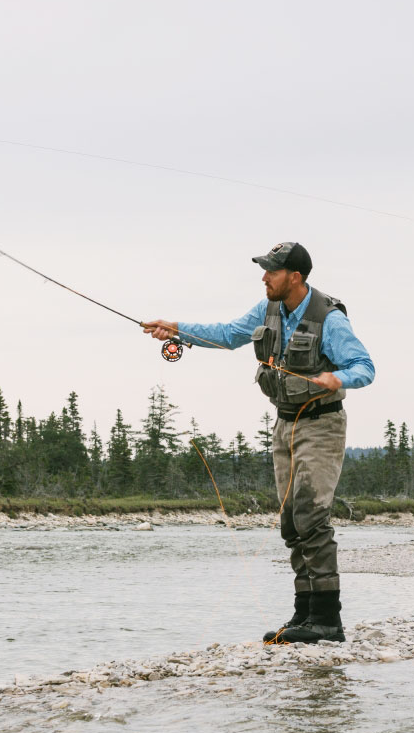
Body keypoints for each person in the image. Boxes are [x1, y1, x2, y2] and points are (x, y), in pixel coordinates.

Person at [143, 242, 375, 643]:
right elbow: (227, 334)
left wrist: (339, 378)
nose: (264, 277)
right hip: (285, 425)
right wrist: (178, 330)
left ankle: (328, 619)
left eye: (272, 271)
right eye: (265, 270)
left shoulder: (329, 319)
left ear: (295, 277)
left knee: (311, 517)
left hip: (322, 426)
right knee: (290, 521)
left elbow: (364, 367)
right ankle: (305, 614)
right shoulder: (267, 310)